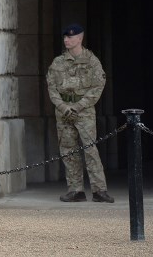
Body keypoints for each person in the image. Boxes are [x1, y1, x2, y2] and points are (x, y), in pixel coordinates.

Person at [46, 24, 114, 203]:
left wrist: (78, 106)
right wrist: (63, 107)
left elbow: (97, 87)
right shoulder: (58, 62)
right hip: (63, 111)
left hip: (84, 111)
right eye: (65, 37)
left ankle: (99, 190)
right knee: (68, 151)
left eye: (70, 37)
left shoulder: (92, 61)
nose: (66, 40)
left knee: (90, 149)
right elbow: (52, 88)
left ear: (80, 38)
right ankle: (75, 190)